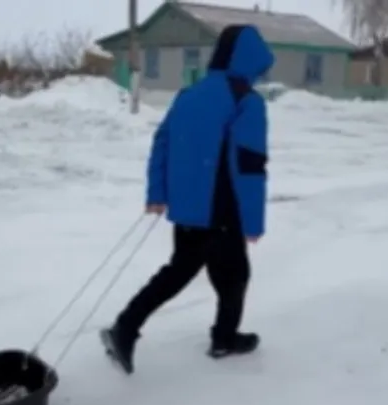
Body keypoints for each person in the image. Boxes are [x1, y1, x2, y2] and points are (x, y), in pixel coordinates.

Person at [100, 24, 274, 374]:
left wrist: (157, 195)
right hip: (223, 208)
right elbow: (250, 165)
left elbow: (162, 144)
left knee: (180, 270)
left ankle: (126, 327)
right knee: (234, 276)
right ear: (252, 60)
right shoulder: (246, 101)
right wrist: (252, 222)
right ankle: (224, 339)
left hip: (189, 209)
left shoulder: (188, 95)